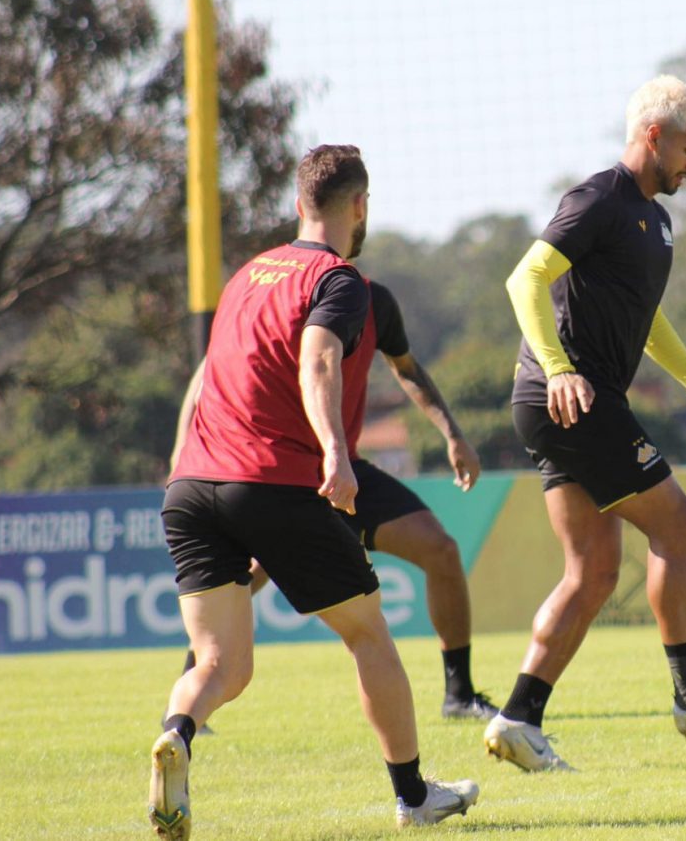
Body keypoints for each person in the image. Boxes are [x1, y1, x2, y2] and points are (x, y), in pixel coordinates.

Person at [149, 145, 478, 838]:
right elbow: (321, 358)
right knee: (368, 634)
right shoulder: (339, 280)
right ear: (359, 206)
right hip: (270, 480)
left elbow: (207, 377)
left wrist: (182, 458)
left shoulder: (245, 276)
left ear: (299, 204)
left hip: (192, 486)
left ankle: (177, 733)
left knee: (221, 665)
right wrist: (336, 451)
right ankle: (415, 796)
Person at [482, 75, 686, 772]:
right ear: (654, 134)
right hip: (571, 399)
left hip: (564, 402)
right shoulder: (600, 198)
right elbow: (524, 279)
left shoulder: (658, 220)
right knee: (677, 527)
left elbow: (650, 322)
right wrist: (559, 371)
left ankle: (518, 718)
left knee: (592, 573)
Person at [170, 276, 499, 722]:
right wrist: (182, 446)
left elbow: (406, 368)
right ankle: (192, 691)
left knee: (440, 550)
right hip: (284, 472)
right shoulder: (277, 294)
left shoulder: (371, 298)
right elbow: (210, 370)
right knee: (243, 579)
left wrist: (453, 435)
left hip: (346, 469)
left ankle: (459, 694)